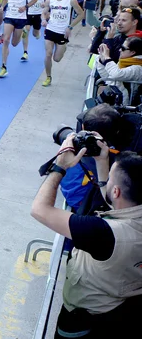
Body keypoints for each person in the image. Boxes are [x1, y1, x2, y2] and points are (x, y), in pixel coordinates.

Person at [31, 136, 142, 338]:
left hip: (86, 318)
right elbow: (117, 204)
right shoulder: (133, 214)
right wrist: (102, 161)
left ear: (115, 191)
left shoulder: (102, 233)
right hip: (126, 307)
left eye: (111, 178)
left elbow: (40, 210)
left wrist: (59, 167)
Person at [41, 0, 85, 87]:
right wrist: (43, 20)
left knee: (56, 59)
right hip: (51, 29)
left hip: (62, 32)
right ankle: (48, 77)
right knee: (48, 54)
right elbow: (44, 12)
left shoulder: (71, 0)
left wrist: (70, 27)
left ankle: (63, 47)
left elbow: (81, 14)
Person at [0, 0, 38, 78]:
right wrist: (2, 6)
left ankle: (22, 33)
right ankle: (4, 66)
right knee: (5, 40)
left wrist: (25, 7)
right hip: (10, 15)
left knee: (14, 44)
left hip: (21, 17)